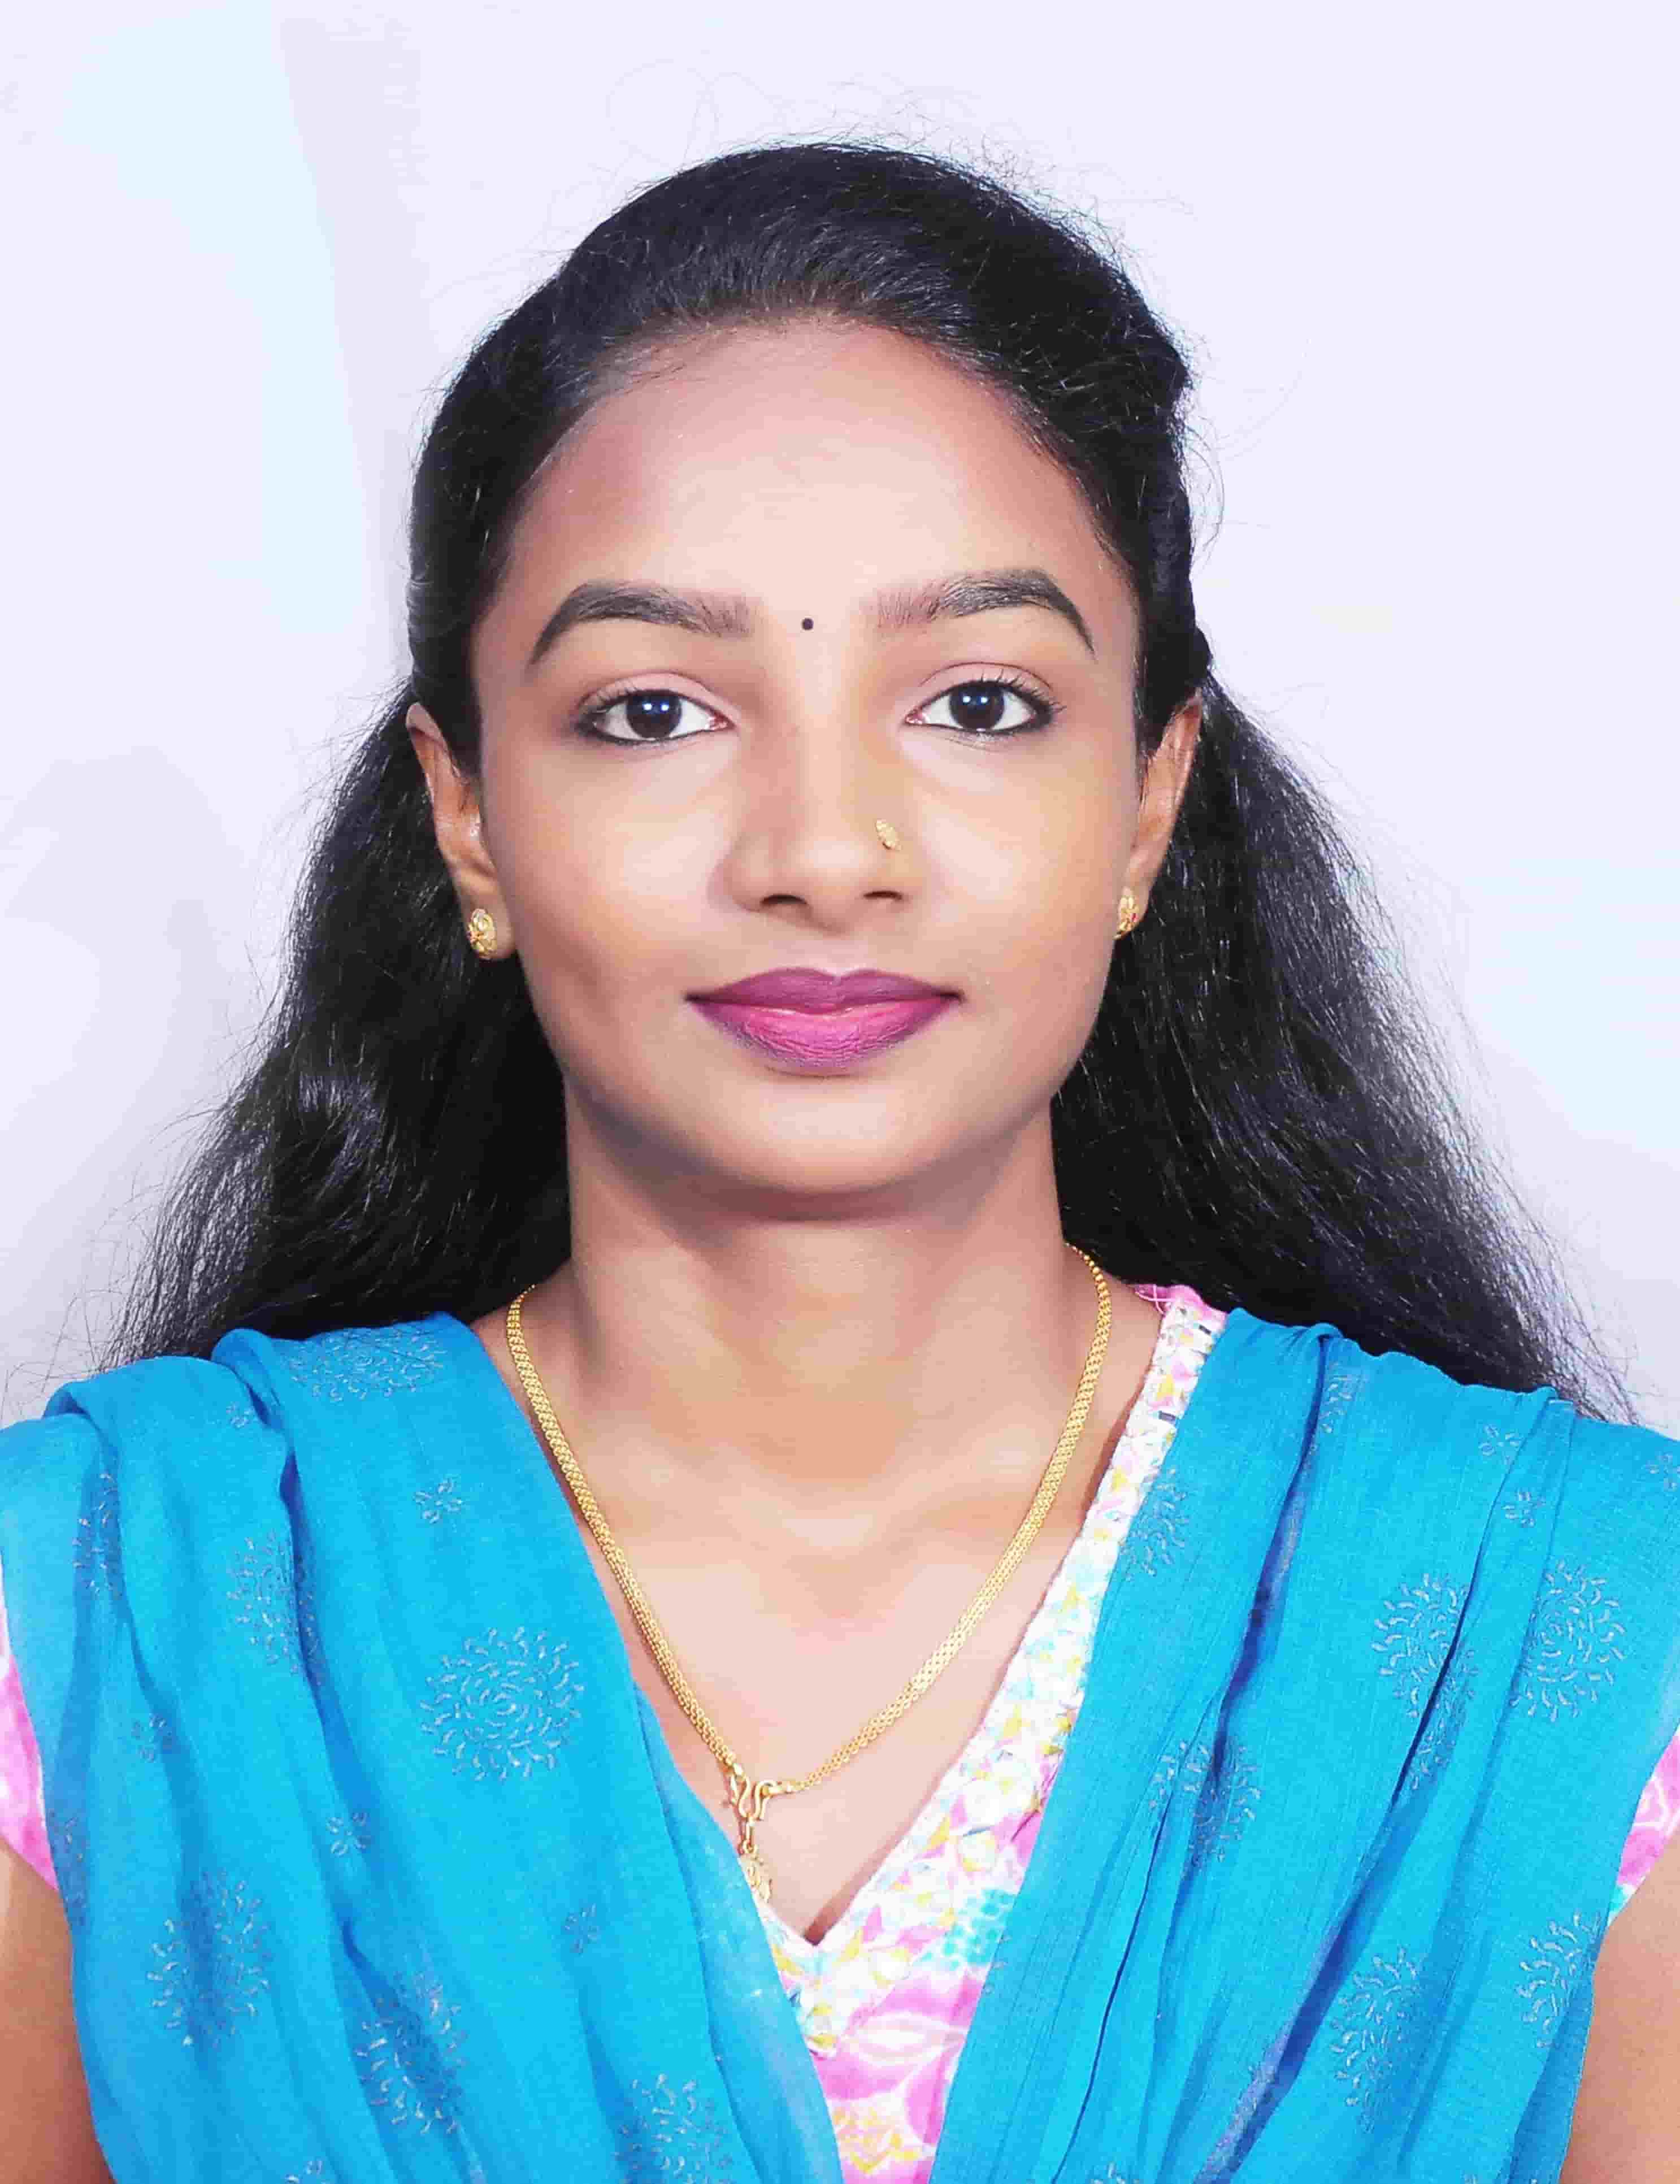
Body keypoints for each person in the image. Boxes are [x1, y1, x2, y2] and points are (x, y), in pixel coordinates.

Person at [1, 138, 1675, 2184]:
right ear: (467, 817)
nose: (821, 851)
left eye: (978, 701)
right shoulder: (101, 1613)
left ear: (1150, 801)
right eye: (653, 712)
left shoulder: (1577, 1637)